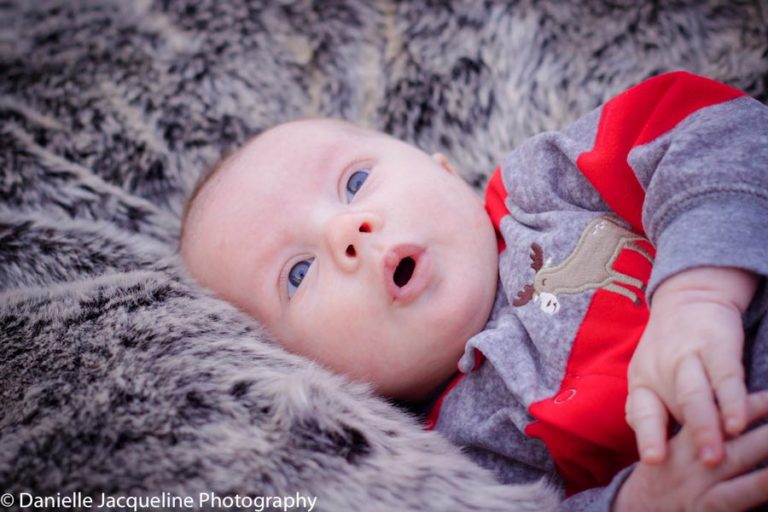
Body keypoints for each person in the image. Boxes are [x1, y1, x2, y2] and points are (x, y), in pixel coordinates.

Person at [179, 71, 768, 510]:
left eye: (355, 181)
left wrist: (699, 294)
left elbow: (717, 129)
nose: (346, 232)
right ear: (304, 371)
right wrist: (638, 500)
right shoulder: (452, 456)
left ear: (441, 169)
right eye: (298, 274)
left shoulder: (545, 185)